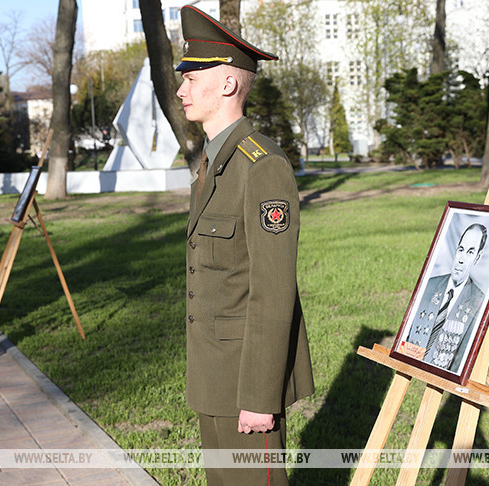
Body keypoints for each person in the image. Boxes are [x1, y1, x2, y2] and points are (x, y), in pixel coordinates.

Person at [176, 6, 314, 485]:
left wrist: (259, 395)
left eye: (192, 77)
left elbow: (273, 291)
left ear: (229, 85)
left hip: (244, 384)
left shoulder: (262, 167)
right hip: (214, 375)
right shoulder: (214, 164)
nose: (181, 89)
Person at [400, 223, 488, 373]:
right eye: (461, 249)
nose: (461, 259)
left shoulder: (479, 301)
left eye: (470, 252)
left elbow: (460, 361)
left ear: (477, 258)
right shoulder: (429, 285)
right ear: (456, 250)